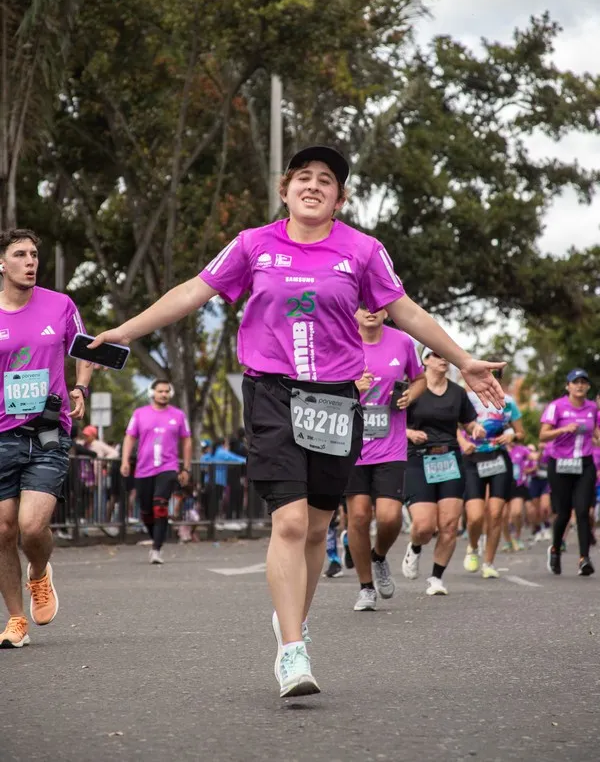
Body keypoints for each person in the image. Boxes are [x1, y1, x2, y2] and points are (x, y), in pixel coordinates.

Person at [88, 145, 505, 698]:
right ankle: (292, 650)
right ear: (284, 191)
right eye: (302, 177)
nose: (313, 185)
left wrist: (464, 358)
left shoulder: (362, 250)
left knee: (314, 527)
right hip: (272, 394)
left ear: (340, 198)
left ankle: (295, 621)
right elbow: (192, 292)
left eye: (326, 180)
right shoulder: (254, 245)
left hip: (335, 400)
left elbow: (407, 311)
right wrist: (124, 331)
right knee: (286, 524)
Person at [0, 228, 91, 648]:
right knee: (2, 532)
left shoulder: (60, 305)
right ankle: (16, 619)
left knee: (32, 527)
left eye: (34, 254)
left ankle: (39, 572)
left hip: (49, 431)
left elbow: (85, 350)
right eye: (20, 254)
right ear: (2, 263)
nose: (30, 261)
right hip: (2, 435)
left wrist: (81, 388)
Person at [346, 307, 425, 611]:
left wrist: (410, 396)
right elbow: (322, 384)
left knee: (390, 517)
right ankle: (366, 587)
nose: (371, 311)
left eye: (377, 306)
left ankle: (378, 556)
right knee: (359, 517)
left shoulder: (402, 341)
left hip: (390, 445)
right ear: (353, 310)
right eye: (364, 306)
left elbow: (419, 379)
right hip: (351, 445)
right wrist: (353, 387)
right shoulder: (342, 340)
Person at [402, 350, 485, 595]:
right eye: (436, 355)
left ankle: (436, 578)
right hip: (418, 458)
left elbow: (467, 421)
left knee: (449, 524)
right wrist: (409, 433)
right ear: (425, 360)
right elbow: (394, 421)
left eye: (444, 356)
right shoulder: (413, 389)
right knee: (424, 525)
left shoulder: (457, 392)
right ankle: (415, 547)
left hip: (449, 458)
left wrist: (475, 428)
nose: (443, 359)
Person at [462, 370, 525, 579]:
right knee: (475, 516)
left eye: (495, 376)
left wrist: (512, 437)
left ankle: (488, 562)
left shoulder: (508, 402)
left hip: (498, 460)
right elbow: (452, 423)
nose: (491, 380)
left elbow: (521, 433)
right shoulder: (468, 399)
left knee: (496, 513)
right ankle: (472, 547)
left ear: (500, 380)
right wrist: (463, 442)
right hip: (473, 460)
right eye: (486, 375)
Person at [121, 380, 192, 564]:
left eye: (167, 391)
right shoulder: (139, 414)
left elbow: (187, 440)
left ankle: (156, 549)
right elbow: (129, 437)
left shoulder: (178, 415)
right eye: (160, 391)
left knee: (160, 506)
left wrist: (186, 467)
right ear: (152, 392)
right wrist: (125, 460)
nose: (164, 394)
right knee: (146, 511)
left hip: (168, 467)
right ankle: (156, 538)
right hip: (143, 469)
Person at [541, 369, 600, 576]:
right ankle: (555, 549)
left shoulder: (592, 408)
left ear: (588, 387)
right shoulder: (556, 407)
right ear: (568, 386)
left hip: (584, 464)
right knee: (564, 513)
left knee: (583, 511)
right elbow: (543, 436)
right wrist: (561, 430)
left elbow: (596, 431)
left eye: (584, 382)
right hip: (560, 464)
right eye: (575, 382)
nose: (580, 386)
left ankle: (584, 559)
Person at [502, 443, 534, 552]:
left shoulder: (521, 449)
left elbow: (534, 457)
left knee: (517, 512)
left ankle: (517, 537)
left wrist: (544, 449)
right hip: (502, 484)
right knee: (503, 515)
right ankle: (507, 541)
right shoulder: (498, 447)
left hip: (517, 484)